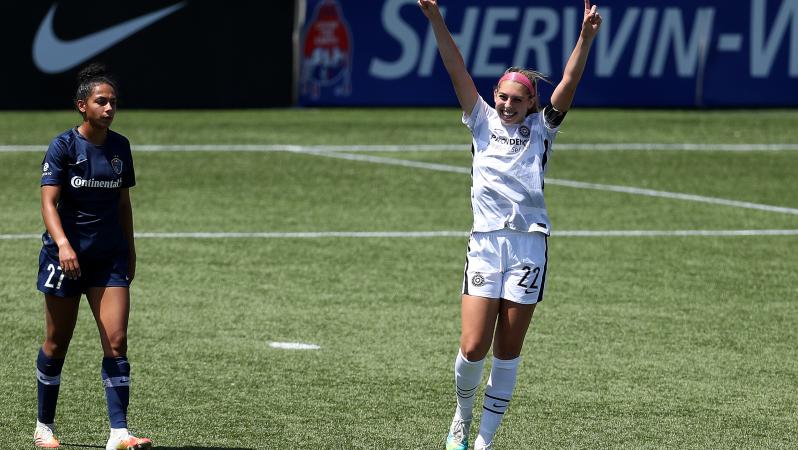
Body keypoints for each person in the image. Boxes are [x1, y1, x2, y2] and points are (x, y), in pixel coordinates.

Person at [418, 1, 602, 448]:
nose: (506, 104)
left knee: (507, 351)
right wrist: (436, 19)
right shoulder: (479, 119)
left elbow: (570, 82)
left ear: (530, 102)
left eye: (516, 99)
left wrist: (585, 38)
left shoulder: (543, 128)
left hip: (529, 249)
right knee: (474, 343)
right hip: (485, 244)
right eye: (502, 96)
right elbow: (454, 64)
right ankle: (461, 418)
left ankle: (483, 441)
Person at [34, 63, 152, 450]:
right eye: (101, 101)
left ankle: (119, 433)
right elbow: (48, 203)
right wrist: (64, 246)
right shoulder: (63, 146)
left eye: (113, 102)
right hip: (64, 259)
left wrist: (130, 249)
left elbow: (123, 204)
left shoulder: (121, 147)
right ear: (82, 105)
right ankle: (44, 426)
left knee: (116, 341)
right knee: (56, 343)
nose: (109, 108)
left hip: (108, 258)